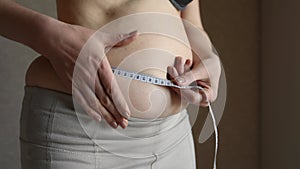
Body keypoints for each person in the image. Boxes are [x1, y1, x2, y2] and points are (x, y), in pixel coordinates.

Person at [0, 0, 221, 168]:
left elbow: (189, 21)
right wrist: (45, 34)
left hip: (173, 135)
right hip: (77, 134)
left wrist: (208, 57)